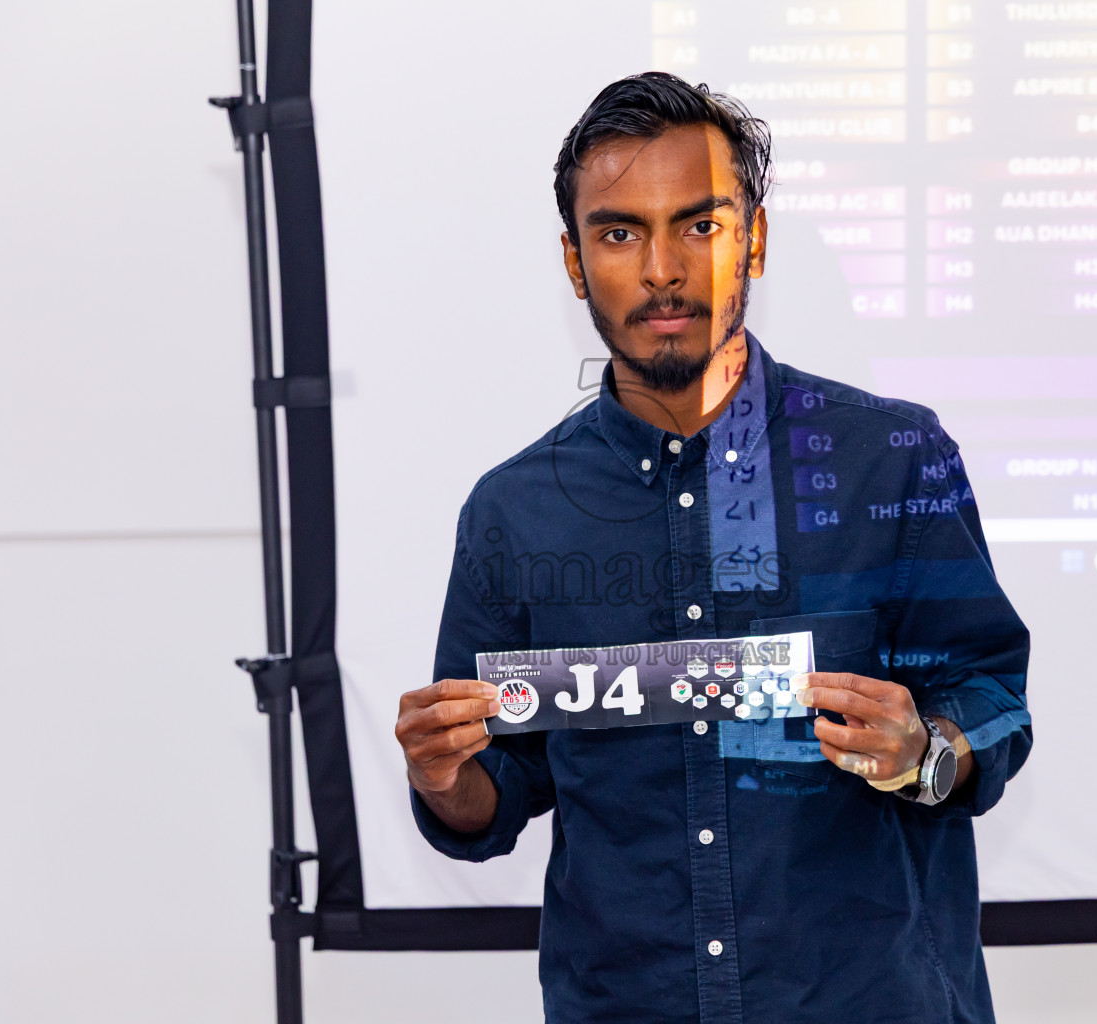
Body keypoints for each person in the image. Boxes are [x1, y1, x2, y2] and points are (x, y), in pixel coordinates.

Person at [394, 71, 1031, 1024]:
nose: (662, 269)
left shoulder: (892, 458)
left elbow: (990, 697)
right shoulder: (513, 511)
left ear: (756, 240)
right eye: (619, 232)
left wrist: (927, 751)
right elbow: (499, 791)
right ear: (575, 264)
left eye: (700, 225)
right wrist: (443, 778)